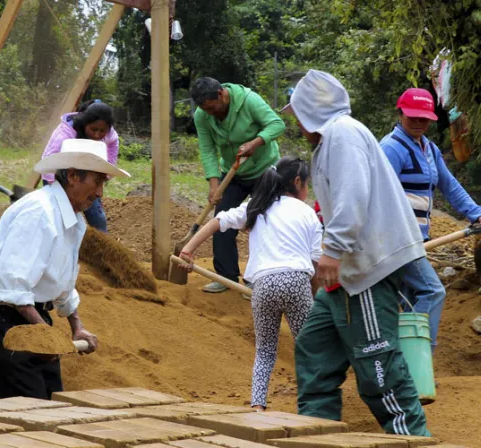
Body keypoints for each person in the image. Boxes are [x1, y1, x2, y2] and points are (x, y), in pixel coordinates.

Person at [284, 69, 430, 436]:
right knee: (315, 347)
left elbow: (352, 198)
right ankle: (317, 432)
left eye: (297, 114)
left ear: (310, 111)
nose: (297, 124)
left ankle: (411, 439)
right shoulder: (330, 141)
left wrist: (332, 251)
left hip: (367, 269)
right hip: (349, 270)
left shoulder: (343, 135)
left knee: (376, 363)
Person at [0, 139, 130, 399]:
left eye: (104, 184)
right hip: (3, 317)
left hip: (35, 314)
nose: (100, 192)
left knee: (51, 399)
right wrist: (46, 333)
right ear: (74, 176)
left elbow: (63, 282)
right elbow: (12, 286)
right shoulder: (39, 213)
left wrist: (76, 326)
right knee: (24, 406)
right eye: (97, 182)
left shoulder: (74, 220)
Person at [179, 156, 321, 411]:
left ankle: (257, 406)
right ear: (298, 182)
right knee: (309, 348)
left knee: (265, 351)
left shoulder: (257, 206)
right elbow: (316, 266)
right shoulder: (307, 212)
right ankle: (312, 404)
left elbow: (217, 221)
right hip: (296, 280)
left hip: (262, 285)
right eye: (307, 184)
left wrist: (188, 250)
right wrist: (315, 299)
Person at [380, 88, 481, 352]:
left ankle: (401, 367)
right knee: (432, 292)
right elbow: (378, 194)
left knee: (412, 301)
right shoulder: (391, 148)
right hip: (398, 239)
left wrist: (475, 213)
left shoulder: (429, 149)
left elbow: (450, 185)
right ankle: (419, 358)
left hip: (417, 238)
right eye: (412, 117)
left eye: (423, 119)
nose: (418, 123)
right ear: (400, 113)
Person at [190, 77, 285, 293]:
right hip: (233, 171)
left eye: (213, 108)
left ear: (222, 94)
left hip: (265, 170)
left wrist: (256, 142)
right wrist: (214, 185)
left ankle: (258, 279)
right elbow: (207, 150)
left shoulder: (249, 100)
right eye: (207, 111)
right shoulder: (203, 116)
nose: (212, 114)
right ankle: (226, 277)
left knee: (262, 224)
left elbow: (277, 124)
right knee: (221, 219)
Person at [40, 100, 118, 233]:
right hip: (57, 177)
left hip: (87, 180)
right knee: (57, 215)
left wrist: (106, 170)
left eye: (102, 131)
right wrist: (55, 189)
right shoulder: (64, 134)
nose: (97, 135)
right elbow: (49, 162)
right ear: (84, 123)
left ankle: (101, 241)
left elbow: (113, 145)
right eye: (93, 129)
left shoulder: (110, 134)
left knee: (97, 217)